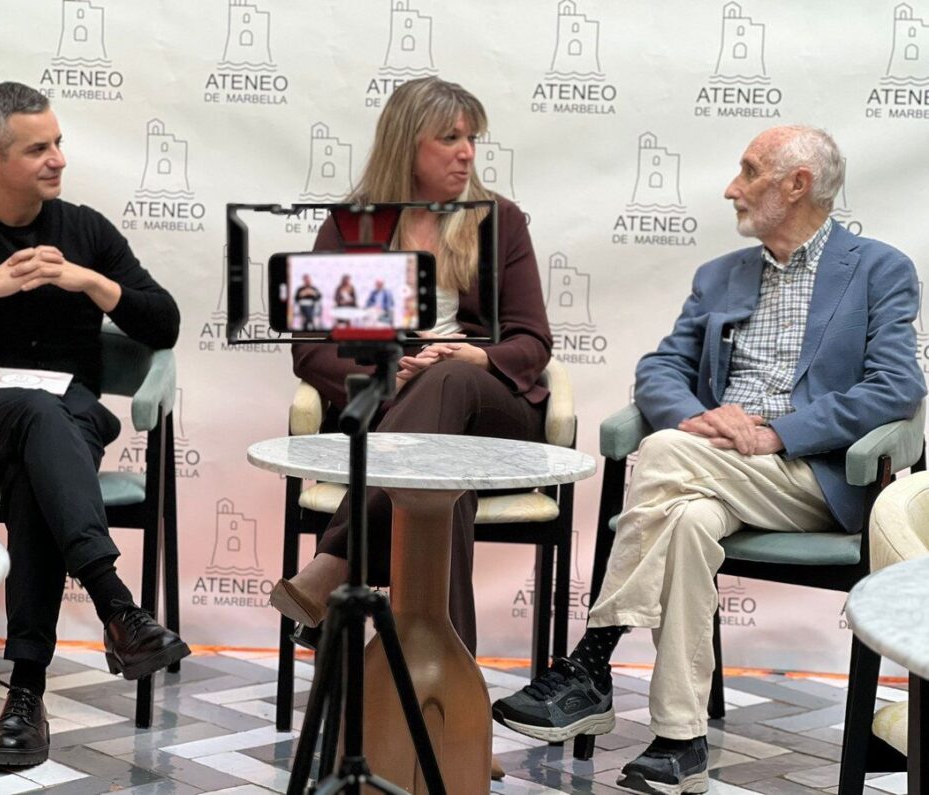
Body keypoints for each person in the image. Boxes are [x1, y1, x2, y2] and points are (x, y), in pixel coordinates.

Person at [492, 125, 926, 794]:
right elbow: (660, 368)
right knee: (688, 521)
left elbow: (897, 386)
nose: (731, 188)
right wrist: (701, 419)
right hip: (710, 465)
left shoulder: (878, 269)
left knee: (666, 453)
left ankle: (592, 662)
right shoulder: (722, 275)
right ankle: (680, 741)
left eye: (749, 171)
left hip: (813, 475)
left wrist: (781, 433)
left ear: (797, 185)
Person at [0, 82, 190, 769]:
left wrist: (89, 281)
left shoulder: (84, 231)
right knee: (34, 416)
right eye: (37, 148)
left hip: (68, 421)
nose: (58, 159)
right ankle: (117, 606)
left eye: (58, 142)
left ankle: (25, 694)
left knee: (39, 455)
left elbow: (163, 323)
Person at [269, 75, 551, 669]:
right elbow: (312, 349)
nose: (466, 153)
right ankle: (447, 700)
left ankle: (335, 563)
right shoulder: (354, 227)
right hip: (400, 420)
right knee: (444, 493)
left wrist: (478, 356)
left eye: (472, 139)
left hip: (492, 414)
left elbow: (532, 340)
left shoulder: (499, 220)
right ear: (406, 144)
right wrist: (387, 375)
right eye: (449, 138)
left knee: (447, 378)